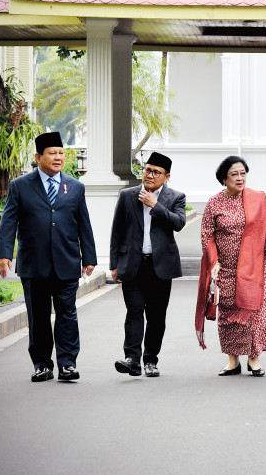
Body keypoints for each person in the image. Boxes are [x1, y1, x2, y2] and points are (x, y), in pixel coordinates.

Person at [0, 131, 96, 382]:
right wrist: (3, 254)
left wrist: (89, 258)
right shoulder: (20, 186)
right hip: (33, 264)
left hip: (67, 261)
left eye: (61, 153)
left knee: (67, 314)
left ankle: (67, 364)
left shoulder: (75, 187)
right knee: (38, 316)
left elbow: (84, 224)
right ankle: (42, 364)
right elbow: (9, 221)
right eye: (52, 153)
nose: (58, 157)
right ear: (38, 157)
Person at [199, 156, 266, 377]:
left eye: (243, 173)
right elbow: (207, 236)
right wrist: (214, 261)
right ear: (224, 179)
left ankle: (254, 360)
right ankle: (232, 361)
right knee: (228, 314)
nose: (239, 178)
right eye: (234, 174)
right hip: (226, 268)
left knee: (253, 313)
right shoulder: (214, 203)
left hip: (255, 267)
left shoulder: (258, 199)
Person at [109, 152, 186, 378]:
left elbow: (179, 223)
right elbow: (117, 232)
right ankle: (132, 359)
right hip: (133, 265)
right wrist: (114, 264)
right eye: (147, 170)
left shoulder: (176, 197)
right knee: (134, 311)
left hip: (160, 266)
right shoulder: (127, 196)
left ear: (166, 176)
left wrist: (155, 205)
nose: (150, 175)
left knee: (156, 316)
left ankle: (150, 360)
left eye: (156, 172)